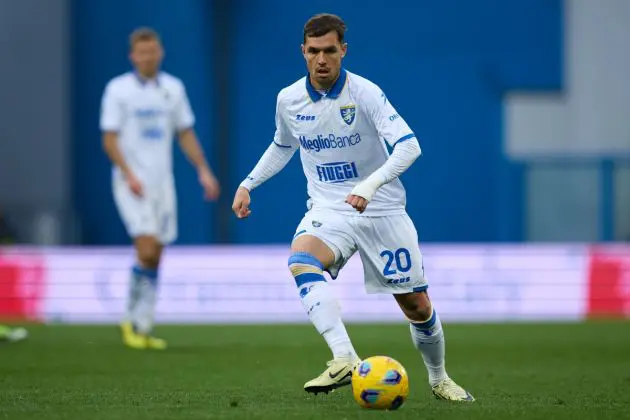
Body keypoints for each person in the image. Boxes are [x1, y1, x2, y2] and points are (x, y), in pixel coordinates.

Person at [232, 14, 473, 401]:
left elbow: (410, 146)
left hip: (382, 210)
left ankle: (439, 377)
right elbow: (282, 145)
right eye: (314, 52)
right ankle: (343, 356)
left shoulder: (365, 93)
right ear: (303, 52)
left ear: (343, 50)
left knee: (416, 305)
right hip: (329, 208)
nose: (321, 59)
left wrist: (370, 185)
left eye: (329, 50)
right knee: (301, 261)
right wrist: (248, 183)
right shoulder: (288, 99)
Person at [100, 27, 220, 350]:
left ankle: (143, 324)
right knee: (147, 246)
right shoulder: (118, 90)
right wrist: (129, 174)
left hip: (162, 182)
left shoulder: (172, 89)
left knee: (157, 254)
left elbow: (185, 133)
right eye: (141, 52)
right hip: (131, 182)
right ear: (132, 56)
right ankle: (129, 318)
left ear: (160, 53)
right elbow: (109, 138)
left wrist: (204, 172)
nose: (147, 57)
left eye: (152, 51)